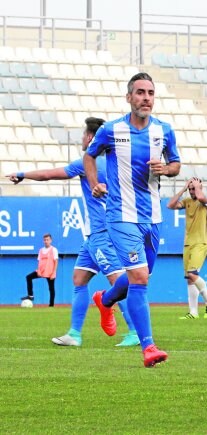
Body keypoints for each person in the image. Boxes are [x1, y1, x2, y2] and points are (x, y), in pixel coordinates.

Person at [7, 117, 140, 347]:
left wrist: (23, 174)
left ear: (90, 138)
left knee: (118, 282)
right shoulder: (114, 163)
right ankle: (74, 334)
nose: (81, 139)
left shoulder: (88, 162)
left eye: (83, 135)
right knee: (79, 278)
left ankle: (135, 332)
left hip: (102, 233)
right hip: (93, 236)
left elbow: (51, 174)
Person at [84, 72, 181, 367]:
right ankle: (148, 347)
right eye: (140, 92)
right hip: (120, 216)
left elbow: (176, 164)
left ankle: (106, 299)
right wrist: (93, 184)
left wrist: (166, 169)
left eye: (150, 93)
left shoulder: (163, 131)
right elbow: (90, 157)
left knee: (142, 275)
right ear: (129, 97)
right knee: (139, 278)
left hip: (152, 216)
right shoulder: (111, 130)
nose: (146, 98)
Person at [167, 177, 207, 320]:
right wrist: (183, 188)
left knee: (192, 273)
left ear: (200, 187)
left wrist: (197, 186)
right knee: (190, 278)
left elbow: (201, 196)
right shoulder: (187, 202)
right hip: (188, 243)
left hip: (201, 242)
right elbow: (170, 205)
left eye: (193, 189)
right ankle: (193, 312)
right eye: (190, 189)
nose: (192, 191)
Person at [20, 233, 58, 307]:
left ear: (51, 240)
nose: (46, 241)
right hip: (41, 271)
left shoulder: (54, 250)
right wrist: (39, 270)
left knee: (51, 288)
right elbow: (39, 261)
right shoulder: (41, 250)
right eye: (45, 240)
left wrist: (54, 272)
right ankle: (30, 295)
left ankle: (51, 305)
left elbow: (56, 261)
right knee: (28, 277)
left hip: (49, 272)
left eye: (47, 240)